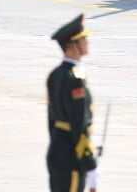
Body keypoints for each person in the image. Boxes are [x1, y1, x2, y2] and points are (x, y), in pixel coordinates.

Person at [47, 13, 98, 192]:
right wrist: (89, 161)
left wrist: (57, 146)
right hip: (71, 154)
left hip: (57, 150)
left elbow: (51, 121)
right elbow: (79, 123)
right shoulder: (75, 78)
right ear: (72, 45)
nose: (87, 42)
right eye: (83, 39)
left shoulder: (54, 75)